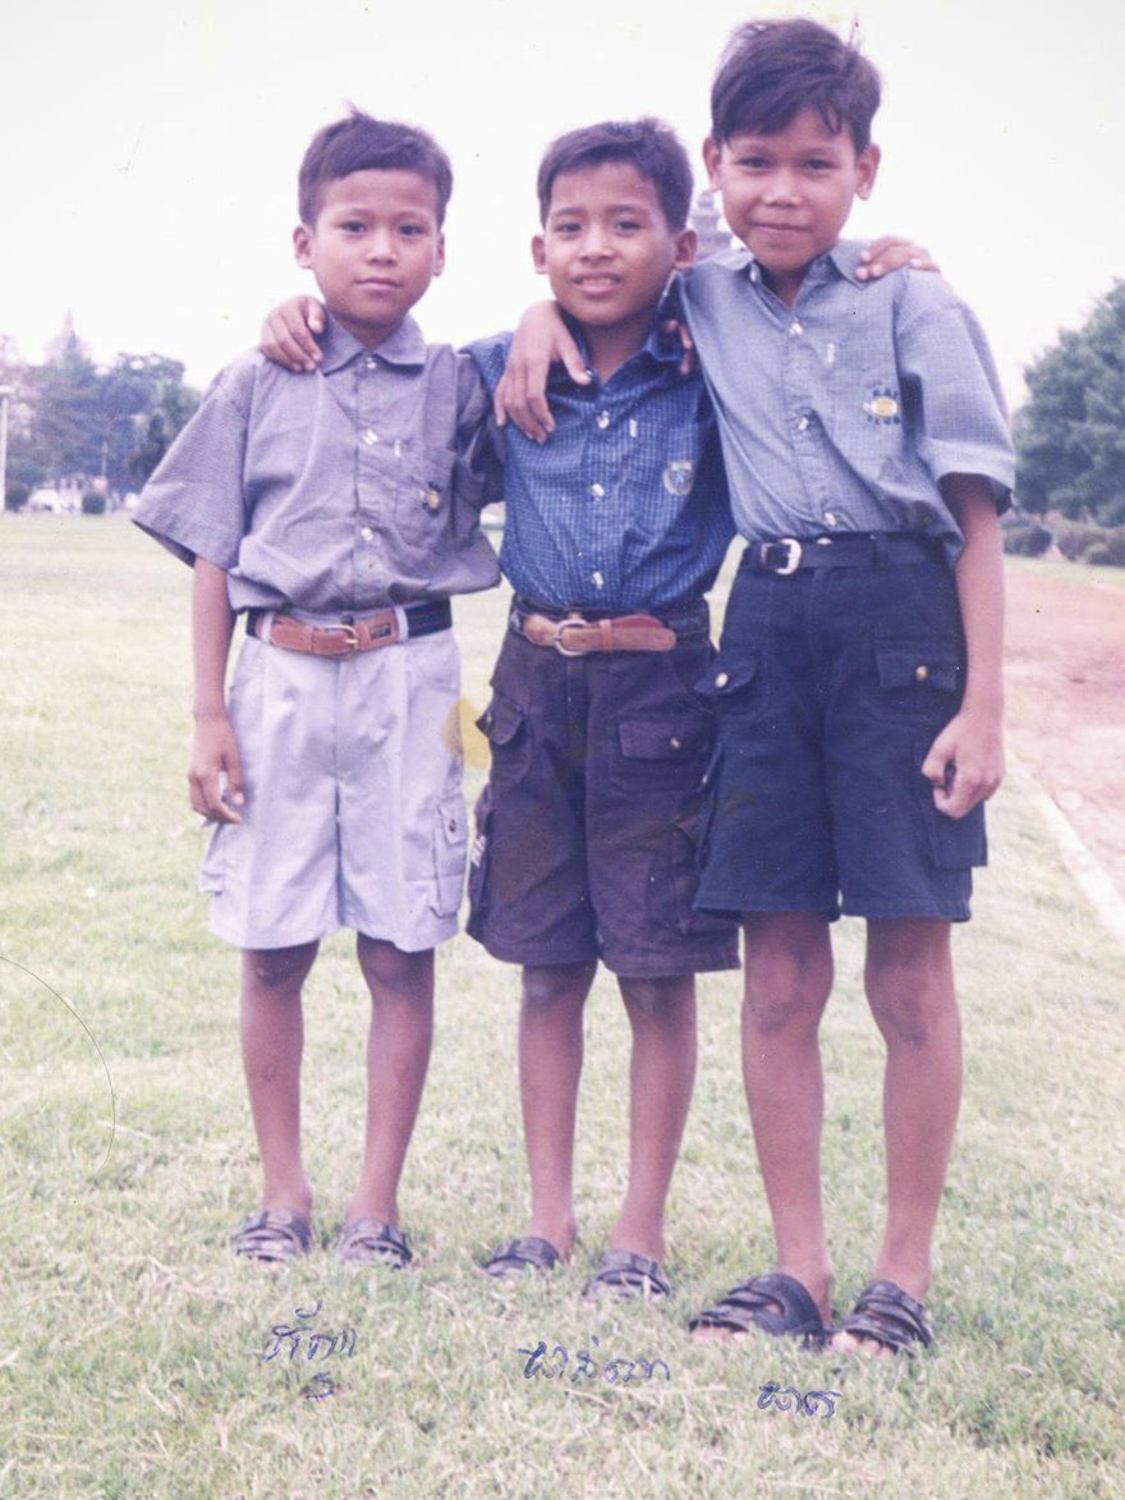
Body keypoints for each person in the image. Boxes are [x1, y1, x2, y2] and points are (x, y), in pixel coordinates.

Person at [496, 18, 1012, 1353]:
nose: (785, 193)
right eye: (758, 165)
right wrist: (533, 313)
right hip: (764, 631)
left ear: (866, 168)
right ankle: (800, 1271)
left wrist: (984, 704)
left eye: (817, 166)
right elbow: (593, 267)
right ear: (715, 167)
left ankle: (899, 1276)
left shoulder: (914, 299)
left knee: (907, 974)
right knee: (778, 976)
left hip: (904, 628)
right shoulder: (699, 290)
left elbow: (974, 514)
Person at [133, 110, 500, 1267]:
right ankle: (282, 1197)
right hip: (277, 678)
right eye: (354, 227)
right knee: (272, 945)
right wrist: (207, 713)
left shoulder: (463, 384)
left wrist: (536, 322)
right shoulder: (256, 378)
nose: (381, 250)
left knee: (400, 947)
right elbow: (212, 553)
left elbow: (565, 372)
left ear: (443, 248)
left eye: (410, 229)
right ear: (305, 242)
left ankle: (374, 1211)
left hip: (415, 676)